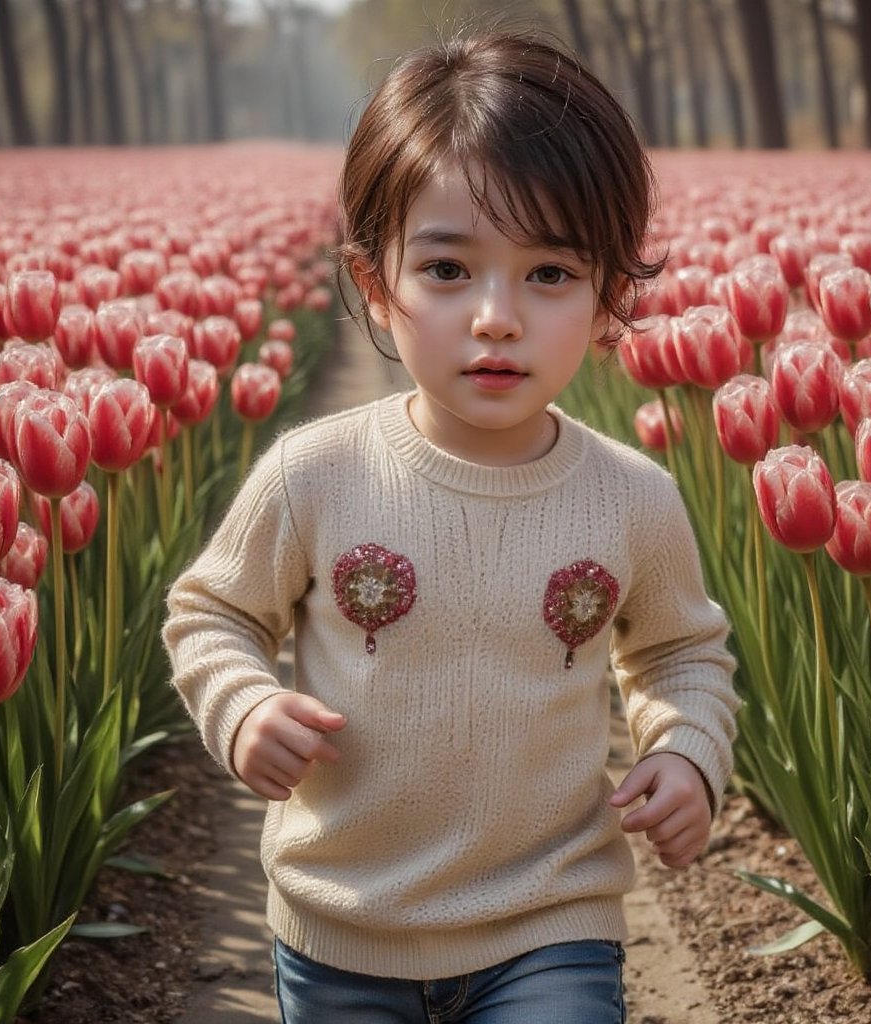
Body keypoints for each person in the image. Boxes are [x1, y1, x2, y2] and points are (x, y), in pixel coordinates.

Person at [163, 29, 738, 1024]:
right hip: (344, 925)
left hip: (550, 921)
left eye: (550, 273)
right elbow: (211, 612)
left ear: (611, 299)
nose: (495, 316)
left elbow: (684, 653)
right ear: (376, 286)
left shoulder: (630, 496)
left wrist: (685, 749)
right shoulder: (315, 474)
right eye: (447, 269)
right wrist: (245, 706)